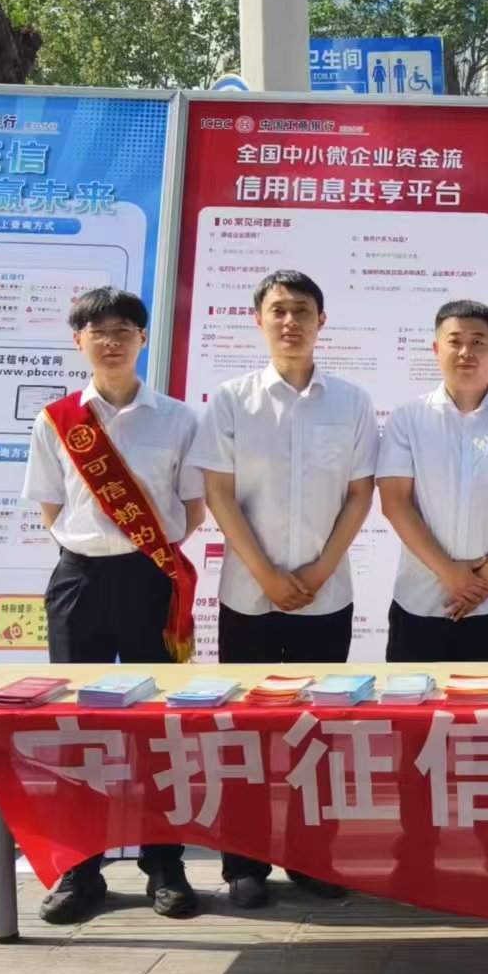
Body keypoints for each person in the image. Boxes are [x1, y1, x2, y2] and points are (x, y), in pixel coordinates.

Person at [21, 286, 207, 922]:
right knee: (79, 727)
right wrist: (93, 548)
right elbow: (51, 506)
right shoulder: (56, 420)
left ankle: (166, 863)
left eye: (124, 329)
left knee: (159, 725)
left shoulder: (178, 419)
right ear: (79, 341)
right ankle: (80, 867)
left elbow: (193, 507)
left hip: (151, 579)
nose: (111, 341)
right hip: (80, 583)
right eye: (98, 331)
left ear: (143, 339)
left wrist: (140, 551)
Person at [190, 269, 374, 908]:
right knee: (246, 730)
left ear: (322, 321)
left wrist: (319, 571)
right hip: (248, 595)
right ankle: (243, 864)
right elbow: (219, 494)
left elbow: (359, 494)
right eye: (278, 310)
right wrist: (266, 574)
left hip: (327, 595)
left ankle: (311, 857)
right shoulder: (232, 400)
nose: (290, 321)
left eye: (301, 310)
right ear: (259, 320)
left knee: (315, 730)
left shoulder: (351, 402)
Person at [377, 300, 488, 662]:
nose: (466, 352)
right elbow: (395, 503)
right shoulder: (408, 419)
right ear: (436, 349)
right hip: (421, 603)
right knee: (416, 699)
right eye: (455, 341)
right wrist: (450, 574)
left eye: (478, 342)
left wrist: (482, 582)